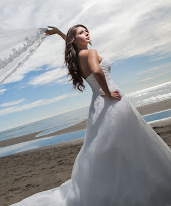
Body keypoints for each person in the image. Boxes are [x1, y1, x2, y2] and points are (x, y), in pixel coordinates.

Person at [11, 25, 171, 206]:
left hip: (97, 104)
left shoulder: (78, 56)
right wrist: (109, 92)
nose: (86, 33)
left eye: (86, 31)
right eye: (81, 32)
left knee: (109, 148)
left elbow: (72, 44)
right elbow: (97, 70)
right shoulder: (91, 52)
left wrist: (58, 33)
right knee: (132, 144)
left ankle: (117, 184)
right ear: (74, 39)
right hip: (111, 102)